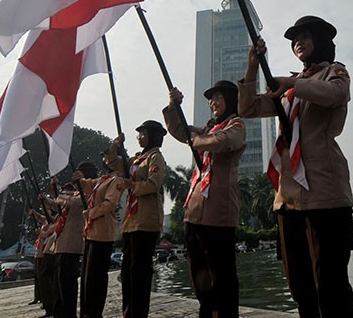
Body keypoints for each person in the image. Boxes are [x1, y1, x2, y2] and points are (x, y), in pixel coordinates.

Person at [240, 17, 353, 318]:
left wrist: (292, 83)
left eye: (305, 36)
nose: (298, 43)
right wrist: (254, 65)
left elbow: (334, 96)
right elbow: (248, 108)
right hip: (289, 197)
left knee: (330, 283)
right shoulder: (291, 88)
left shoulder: (335, 72)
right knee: (301, 286)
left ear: (320, 39)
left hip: (325, 192)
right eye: (294, 39)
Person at [163, 80, 246, 318]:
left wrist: (195, 140)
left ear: (230, 99)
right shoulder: (207, 129)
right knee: (199, 273)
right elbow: (180, 131)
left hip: (219, 211)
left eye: (218, 97)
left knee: (222, 275)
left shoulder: (236, 125)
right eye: (211, 99)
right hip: (195, 210)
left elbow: (222, 142)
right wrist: (173, 106)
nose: (213, 102)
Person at [111, 121, 167, 318]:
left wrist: (132, 185)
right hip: (130, 220)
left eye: (143, 133)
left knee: (140, 270)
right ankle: (129, 311)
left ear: (152, 135)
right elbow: (113, 163)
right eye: (139, 134)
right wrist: (115, 146)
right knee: (127, 271)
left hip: (146, 220)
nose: (140, 137)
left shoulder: (156, 158)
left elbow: (153, 184)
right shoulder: (136, 159)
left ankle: (139, 312)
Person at [73, 159, 123, 318]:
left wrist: (91, 213)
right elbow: (86, 185)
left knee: (97, 278)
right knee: (87, 277)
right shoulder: (102, 180)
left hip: (102, 233)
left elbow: (110, 203)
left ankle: (94, 313)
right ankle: (86, 312)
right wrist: (78, 180)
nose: (107, 161)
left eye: (111, 158)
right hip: (91, 232)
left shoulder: (116, 180)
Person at [42, 180, 84, 318]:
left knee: (67, 284)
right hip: (60, 244)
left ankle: (68, 313)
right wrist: (46, 199)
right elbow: (55, 205)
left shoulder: (81, 197)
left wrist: (57, 194)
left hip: (71, 246)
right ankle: (59, 312)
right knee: (59, 283)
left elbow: (71, 201)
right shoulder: (66, 202)